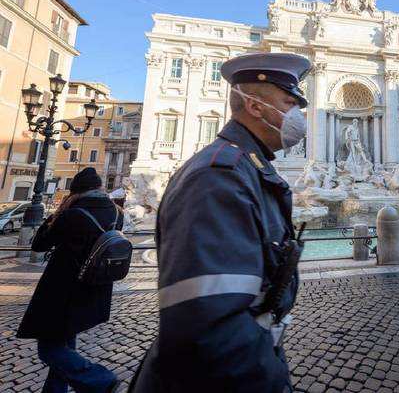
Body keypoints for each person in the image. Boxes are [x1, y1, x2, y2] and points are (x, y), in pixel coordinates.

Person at [130, 52, 311, 392]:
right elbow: (211, 324)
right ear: (255, 107)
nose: (297, 116)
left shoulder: (248, 168)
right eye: (289, 103)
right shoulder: (218, 176)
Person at [17, 167, 121, 393]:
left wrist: (52, 218)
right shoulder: (116, 213)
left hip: (62, 292)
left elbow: (39, 245)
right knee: (65, 344)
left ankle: (100, 379)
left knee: (49, 350)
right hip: (94, 289)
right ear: (99, 188)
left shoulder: (72, 215)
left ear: (75, 191)